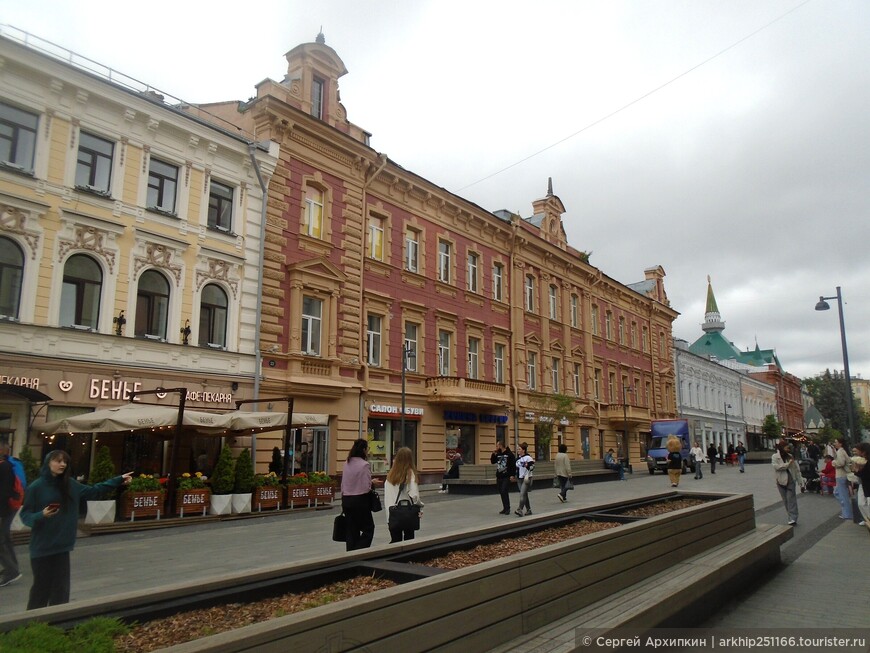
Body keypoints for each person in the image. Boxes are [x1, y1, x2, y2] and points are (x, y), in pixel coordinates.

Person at [19, 450, 132, 609]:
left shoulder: (70, 484)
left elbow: (94, 491)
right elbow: (25, 516)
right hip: (42, 548)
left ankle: (57, 625)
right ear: (48, 462)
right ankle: (33, 628)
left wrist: (118, 480)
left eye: (65, 461)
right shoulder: (36, 487)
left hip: (62, 547)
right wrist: (41, 514)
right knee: (41, 590)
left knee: (61, 591)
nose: (62, 464)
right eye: (58, 461)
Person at [340, 439, 382, 551]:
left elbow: (346, 482)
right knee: (368, 529)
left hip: (346, 501)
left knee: (351, 530)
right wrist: (372, 483)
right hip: (360, 501)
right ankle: (359, 550)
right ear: (363, 449)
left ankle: (351, 552)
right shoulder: (364, 465)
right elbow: (366, 487)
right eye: (367, 448)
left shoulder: (346, 463)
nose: (368, 451)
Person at [384, 447, 423, 543]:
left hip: (392, 513)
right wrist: (420, 507)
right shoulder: (410, 474)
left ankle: (394, 558)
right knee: (408, 540)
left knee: (395, 540)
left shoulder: (390, 475)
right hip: (407, 513)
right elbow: (414, 495)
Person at [0, 443, 22, 588]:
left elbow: (4, 491)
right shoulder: (7, 465)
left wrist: (1, 513)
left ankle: (11, 571)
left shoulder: (4, 467)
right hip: (9, 507)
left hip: (5, 508)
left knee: (1, 540)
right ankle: (13, 568)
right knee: (5, 538)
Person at [771, 441, 802, 526]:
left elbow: (796, 469)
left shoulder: (790, 456)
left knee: (791, 499)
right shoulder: (775, 456)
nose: (788, 449)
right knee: (785, 500)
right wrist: (787, 464)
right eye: (786, 448)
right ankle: (790, 516)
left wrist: (800, 481)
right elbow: (776, 467)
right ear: (782, 448)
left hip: (790, 480)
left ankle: (793, 518)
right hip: (780, 480)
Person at [491, 441, 516, 515]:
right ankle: (505, 508)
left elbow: (513, 466)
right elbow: (493, 461)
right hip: (499, 476)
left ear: (501, 446)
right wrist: (493, 454)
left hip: (506, 476)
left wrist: (512, 475)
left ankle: (507, 508)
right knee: (501, 492)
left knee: (504, 490)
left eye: (497, 446)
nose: (496, 447)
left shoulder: (509, 454)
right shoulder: (498, 454)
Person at [832, 437, 853, 521]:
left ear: (840, 443)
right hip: (842, 475)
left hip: (841, 475)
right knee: (837, 492)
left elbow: (840, 463)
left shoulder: (840, 452)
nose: (835, 443)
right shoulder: (842, 451)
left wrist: (833, 462)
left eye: (836, 442)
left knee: (842, 495)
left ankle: (847, 513)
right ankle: (846, 511)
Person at [850, 442, 870, 529]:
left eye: (857, 450)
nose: (856, 452)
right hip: (863, 484)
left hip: (867, 484)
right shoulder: (862, 459)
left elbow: (865, 474)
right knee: (861, 503)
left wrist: (857, 470)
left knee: (866, 503)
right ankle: (867, 519)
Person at [514, 442, 534, 517]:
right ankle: (529, 510)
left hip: (526, 478)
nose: (518, 450)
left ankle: (519, 509)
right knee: (524, 494)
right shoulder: (518, 459)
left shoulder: (528, 458)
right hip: (519, 479)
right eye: (518, 449)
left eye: (519, 449)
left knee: (522, 494)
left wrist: (527, 466)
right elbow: (516, 468)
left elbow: (532, 467)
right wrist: (513, 475)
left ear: (523, 450)